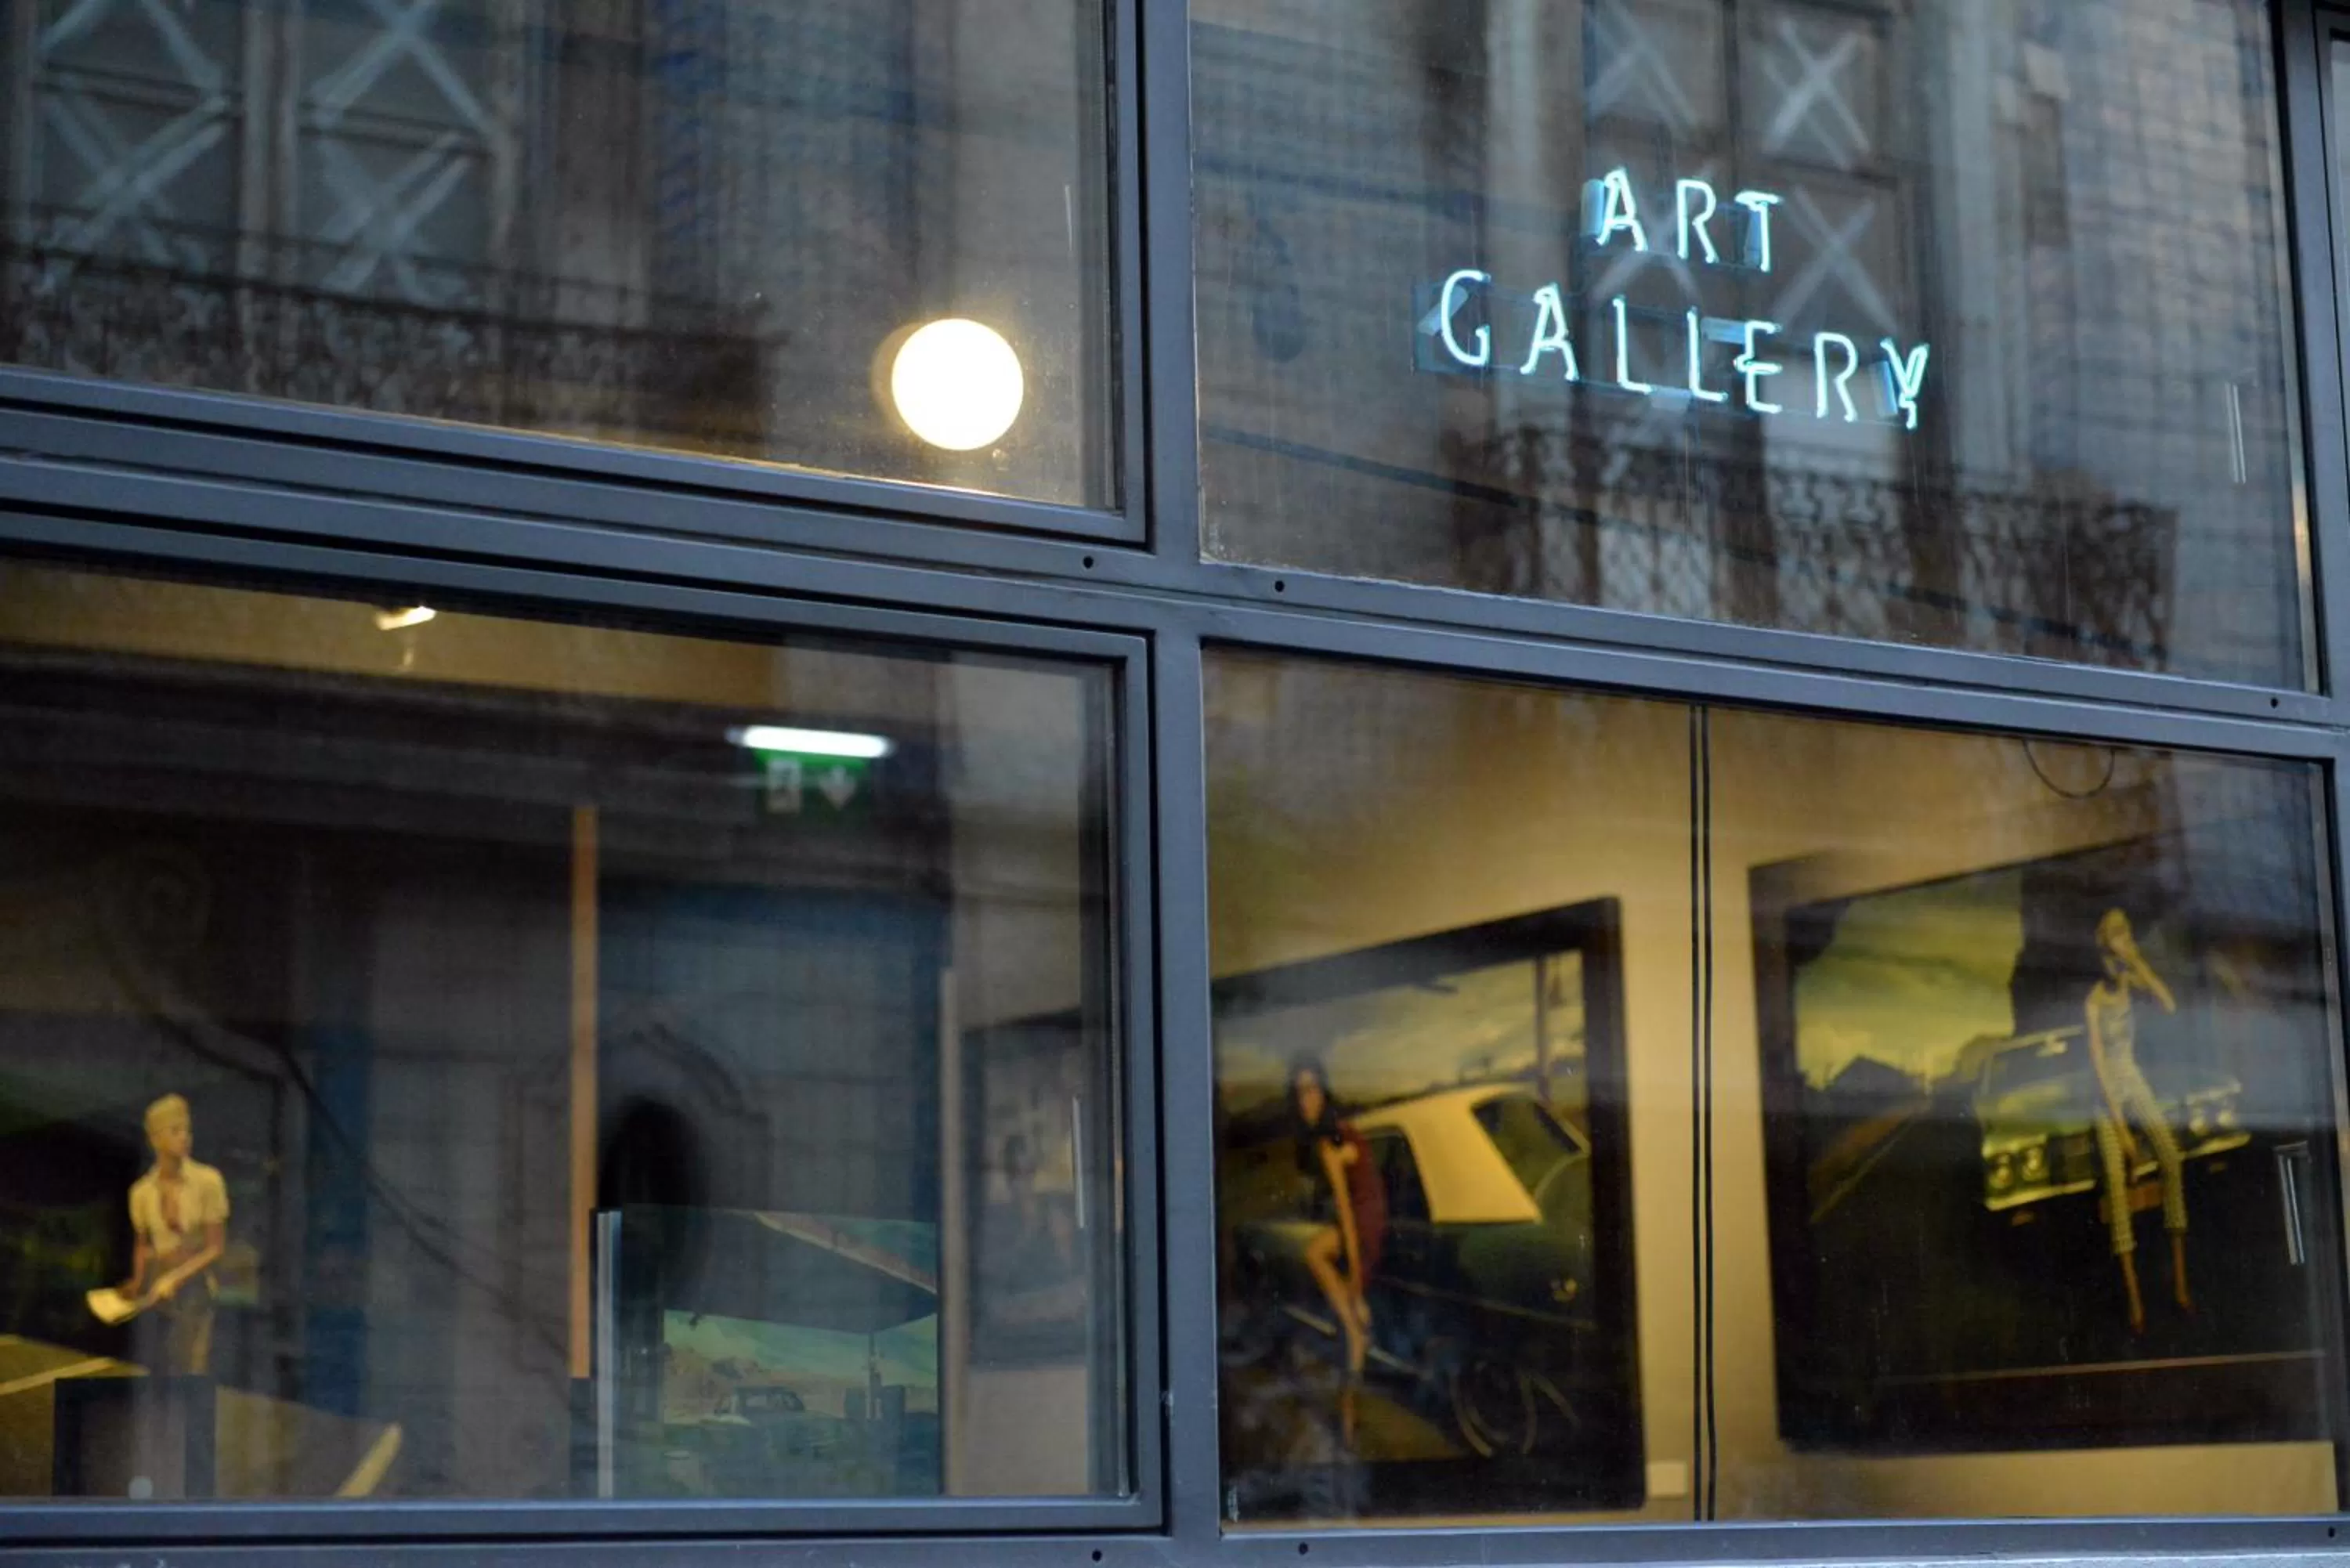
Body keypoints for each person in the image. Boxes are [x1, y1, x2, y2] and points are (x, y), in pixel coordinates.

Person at [2084, 909, 2189, 1335]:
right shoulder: (2092, 1002)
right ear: (2102, 947)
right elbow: (2099, 1069)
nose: (2120, 941)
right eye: (2113, 935)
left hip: (2134, 1080)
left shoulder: (2130, 982)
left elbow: (2168, 1004)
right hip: (2105, 1094)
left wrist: (2140, 963)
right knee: (2116, 1178)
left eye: (2125, 933)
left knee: (2171, 1158)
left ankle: (2181, 1283)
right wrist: (2123, 1131)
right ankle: (2135, 1300)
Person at [1285, 1057, 1386, 1448]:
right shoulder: (1338, 1134)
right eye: (1299, 1093)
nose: (1305, 1101)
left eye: (1312, 1090)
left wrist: (1356, 1288)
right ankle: (1348, 1422)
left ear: (1325, 1093)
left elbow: (1347, 1212)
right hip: (1368, 1216)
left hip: (1365, 1224)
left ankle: (1353, 1330)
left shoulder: (1331, 1143)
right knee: (1317, 1252)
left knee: (1314, 1254)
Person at [122, 1093, 230, 1375]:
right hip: (157, 1299)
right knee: (155, 1374)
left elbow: (215, 1247)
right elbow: (142, 1245)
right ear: (155, 1139)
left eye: (187, 1130)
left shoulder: (208, 1181)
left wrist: (174, 1278)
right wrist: (136, 1282)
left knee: (191, 1371)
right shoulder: (141, 1193)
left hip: (194, 1295)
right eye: (175, 1131)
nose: (185, 1137)